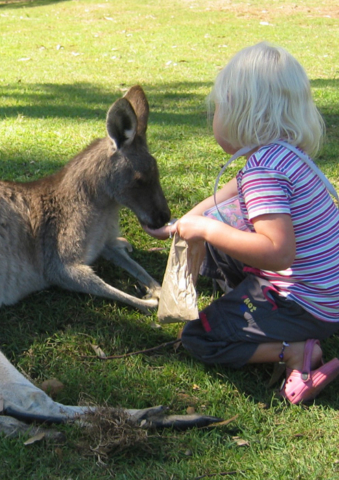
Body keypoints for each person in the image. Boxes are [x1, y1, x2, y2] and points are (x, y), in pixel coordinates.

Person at [145, 42, 339, 404]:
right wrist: (186, 222)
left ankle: (295, 351)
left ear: (238, 112)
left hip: (305, 304)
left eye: (218, 107)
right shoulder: (282, 154)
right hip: (327, 291)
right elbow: (228, 198)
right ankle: (255, 311)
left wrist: (206, 230)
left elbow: (278, 252)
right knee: (220, 235)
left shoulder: (264, 172)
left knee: (199, 336)